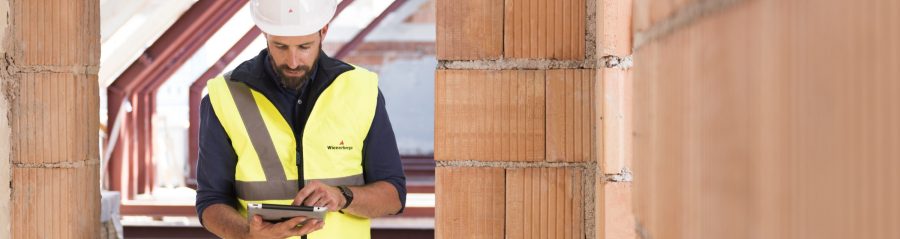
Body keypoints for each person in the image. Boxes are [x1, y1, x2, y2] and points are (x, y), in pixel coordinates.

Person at [194, 0, 406, 238]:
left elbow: (393, 196)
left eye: (304, 46)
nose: (292, 61)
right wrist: (247, 235)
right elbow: (211, 200)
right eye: (280, 46)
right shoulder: (225, 96)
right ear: (265, 33)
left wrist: (342, 196)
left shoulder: (361, 90)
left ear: (324, 30)